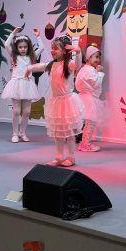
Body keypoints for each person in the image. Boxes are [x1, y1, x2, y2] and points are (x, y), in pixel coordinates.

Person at [26, 36, 84, 167]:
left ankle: (71, 157)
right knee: (58, 133)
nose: (52, 50)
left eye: (56, 48)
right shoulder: (52, 65)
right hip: (56, 102)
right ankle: (58, 156)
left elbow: (77, 65)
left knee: (69, 133)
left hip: (67, 102)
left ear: (64, 50)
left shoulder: (68, 64)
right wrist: (29, 68)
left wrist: (78, 52)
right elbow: (41, 66)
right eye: (52, 47)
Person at [1, 26, 43, 142]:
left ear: (28, 47)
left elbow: (42, 48)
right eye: (20, 47)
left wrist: (38, 36)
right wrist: (13, 33)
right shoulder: (13, 56)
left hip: (27, 85)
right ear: (17, 48)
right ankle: (15, 133)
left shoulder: (31, 57)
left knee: (27, 111)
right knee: (16, 111)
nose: (23, 49)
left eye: (25, 47)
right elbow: (6, 44)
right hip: (16, 84)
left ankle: (22, 132)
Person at [75, 46, 106, 152]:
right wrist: (100, 73)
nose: (98, 60)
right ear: (88, 58)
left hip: (83, 97)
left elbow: (77, 84)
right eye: (96, 57)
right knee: (90, 123)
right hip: (90, 99)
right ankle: (85, 144)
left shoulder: (83, 69)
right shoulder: (91, 70)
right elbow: (96, 84)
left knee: (87, 123)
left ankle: (84, 142)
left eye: (98, 57)